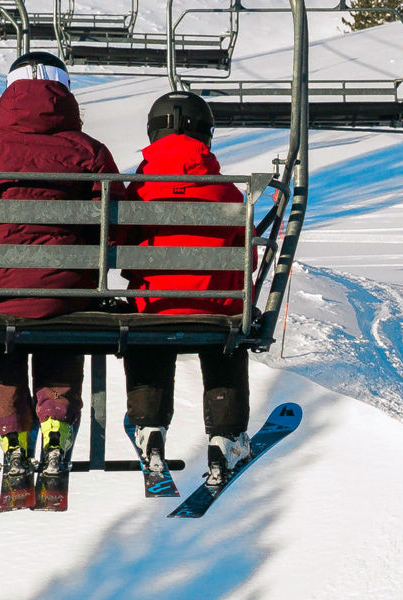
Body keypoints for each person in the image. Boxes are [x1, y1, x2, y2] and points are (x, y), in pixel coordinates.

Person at [0, 52, 118, 491]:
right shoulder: (90, 151)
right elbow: (114, 224)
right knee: (61, 321)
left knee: (0, 342)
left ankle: (11, 441)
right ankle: (56, 429)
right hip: (67, 292)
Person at [117, 91, 254, 485]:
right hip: (214, 310)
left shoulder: (137, 188)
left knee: (150, 323)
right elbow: (248, 255)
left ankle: (150, 428)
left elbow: (117, 239)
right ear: (206, 137)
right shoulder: (226, 191)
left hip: (154, 306)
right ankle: (225, 437)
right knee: (227, 329)